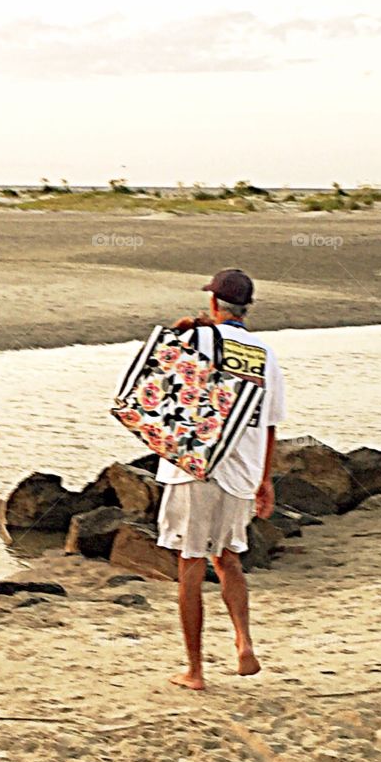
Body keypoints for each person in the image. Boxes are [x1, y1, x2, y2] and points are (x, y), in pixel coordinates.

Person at [156, 268, 286, 690]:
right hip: (241, 472)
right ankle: (244, 643)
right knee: (228, 559)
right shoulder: (265, 354)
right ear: (246, 309)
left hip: (192, 466)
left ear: (214, 304)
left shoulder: (195, 340)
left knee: (190, 564)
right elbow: (269, 425)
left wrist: (182, 334)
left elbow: (161, 389)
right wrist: (265, 481)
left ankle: (195, 670)